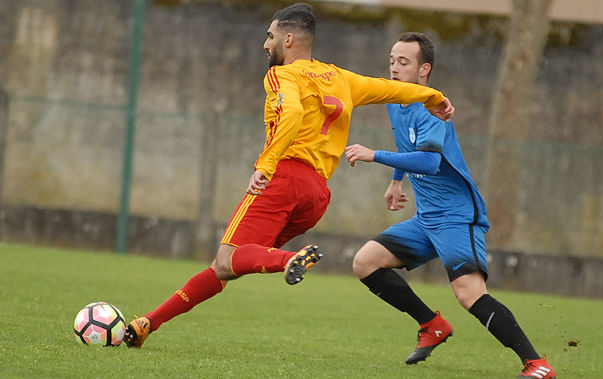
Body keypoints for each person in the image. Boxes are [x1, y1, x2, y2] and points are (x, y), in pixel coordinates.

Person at [123, 4, 454, 349]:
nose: (266, 44)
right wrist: (434, 96)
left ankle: (288, 259)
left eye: (271, 36)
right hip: (317, 195)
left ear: (289, 39)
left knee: (228, 257)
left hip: (284, 179)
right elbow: (391, 89)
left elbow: (292, 112)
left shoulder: (282, 75)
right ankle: (149, 323)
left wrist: (264, 166)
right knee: (228, 266)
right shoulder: (341, 78)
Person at [344, 32, 556, 378]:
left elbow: (428, 163)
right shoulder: (395, 101)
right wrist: (396, 180)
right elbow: (408, 145)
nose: (394, 68)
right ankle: (432, 324)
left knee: (469, 294)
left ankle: (537, 364)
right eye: (392, 60)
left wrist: (373, 155)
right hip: (426, 217)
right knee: (366, 262)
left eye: (404, 62)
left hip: (457, 216)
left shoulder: (433, 108)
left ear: (423, 70)